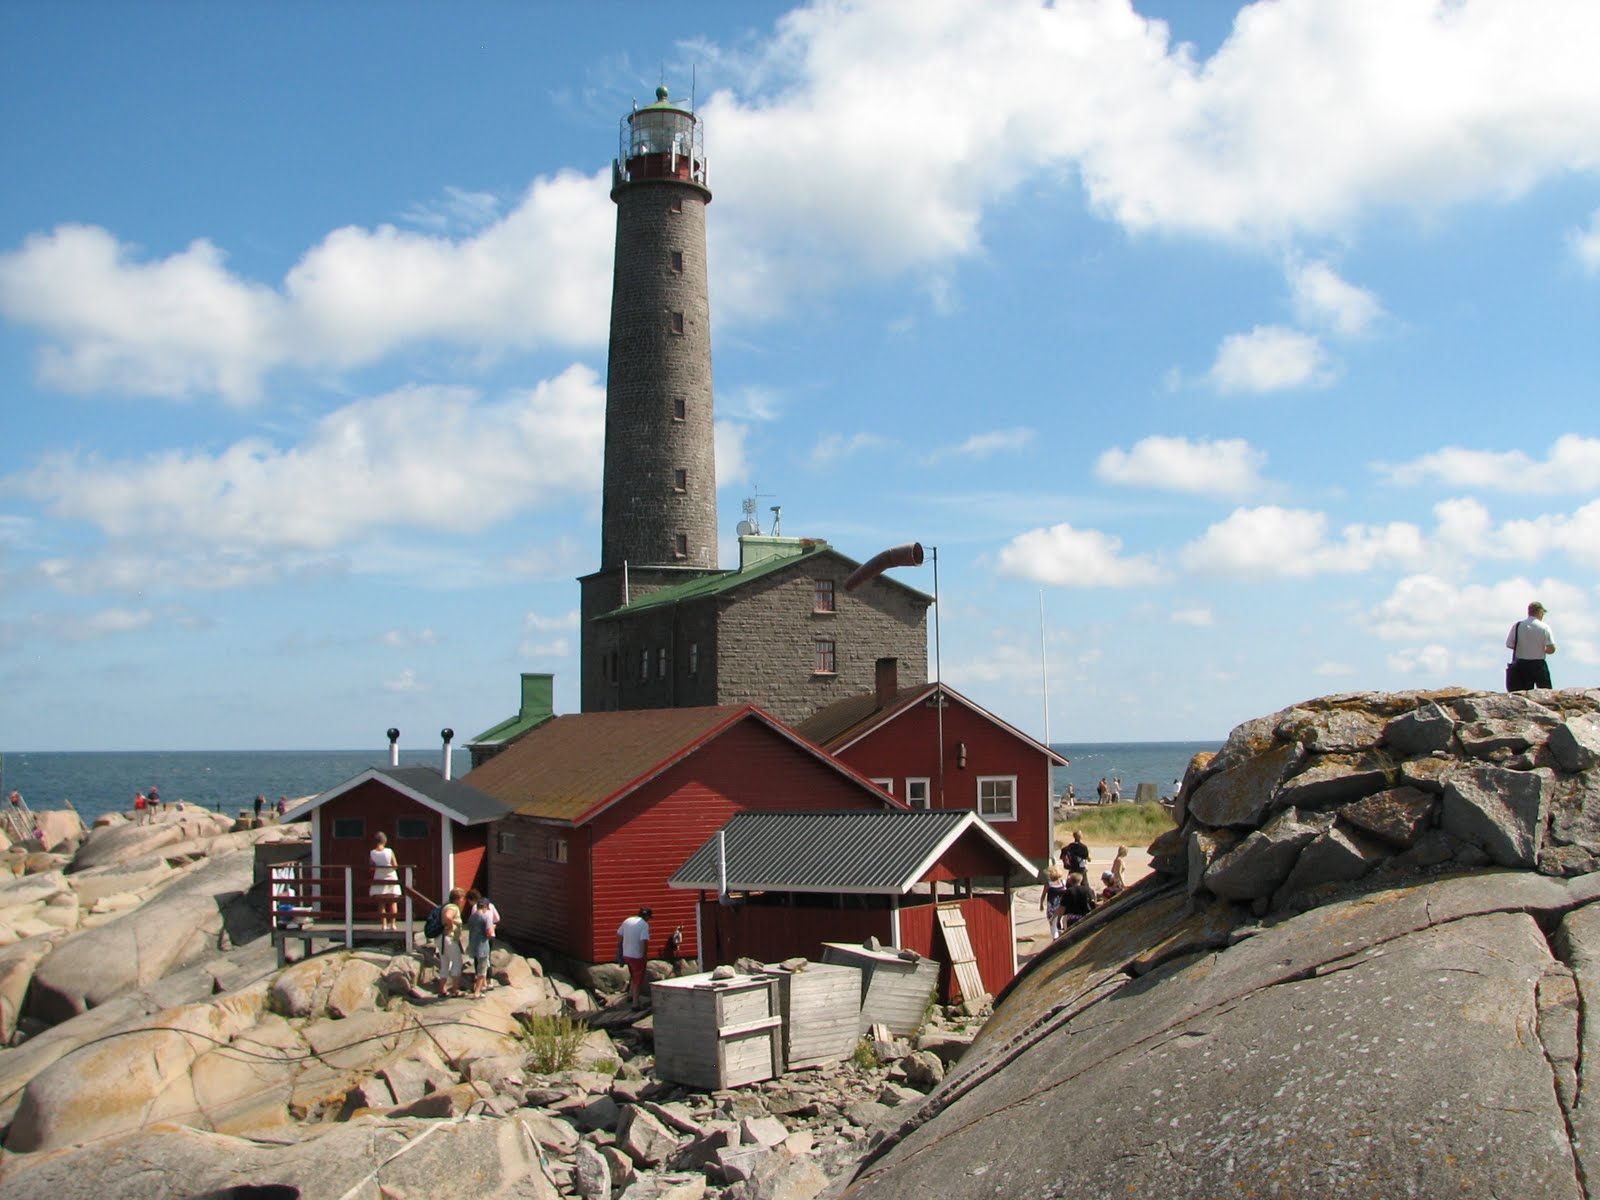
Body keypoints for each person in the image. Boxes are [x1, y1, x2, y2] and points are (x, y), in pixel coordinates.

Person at [1506, 601, 1557, 691]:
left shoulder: (1518, 626)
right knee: (1545, 691)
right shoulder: (1544, 627)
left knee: (1522, 692)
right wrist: (1541, 649)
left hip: (1521, 664)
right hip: (1538, 664)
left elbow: (1509, 644)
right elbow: (1551, 649)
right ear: (1539, 612)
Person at [617, 906, 653, 1005]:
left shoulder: (628, 920)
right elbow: (643, 941)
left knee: (633, 974)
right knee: (638, 980)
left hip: (626, 954)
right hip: (637, 956)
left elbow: (619, 935)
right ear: (647, 917)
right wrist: (644, 955)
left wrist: (621, 948)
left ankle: (630, 995)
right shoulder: (644, 925)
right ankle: (635, 1004)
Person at [369, 832, 401, 930]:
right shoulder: (389, 851)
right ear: (385, 841)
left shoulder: (372, 853)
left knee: (381, 903)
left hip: (379, 877)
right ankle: (393, 924)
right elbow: (395, 865)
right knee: (393, 902)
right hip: (391, 877)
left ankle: (383, 925)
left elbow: (371, 867)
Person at [466, 896, 496, 997]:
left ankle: (484, 986)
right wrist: (492, 929)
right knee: (482, 969)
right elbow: (489, 932)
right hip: (483, 946)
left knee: (478, 964)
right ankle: (477, 992)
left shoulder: (472, 917)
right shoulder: (486, 917)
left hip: (473, 944)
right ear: (486, 906)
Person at [438, 889, 465, 996]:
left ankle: (442, 989)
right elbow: (448, 917)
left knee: (444, 964)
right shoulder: (453, 908)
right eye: (462, 898)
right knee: (457, 963)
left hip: (441, 938)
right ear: (457, 899)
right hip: (449, 938)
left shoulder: (445, 906)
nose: (463, 901)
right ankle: (455, 989)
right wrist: (451, 927)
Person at [1040, 863, 1070, 937]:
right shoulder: (1064, 883)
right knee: (1062, 924)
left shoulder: (1049, 884)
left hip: (1052, 908)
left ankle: (1055, 939)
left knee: (1053, 926)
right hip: (1063, 907)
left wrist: (1041, 904)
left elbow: (1043, 895)